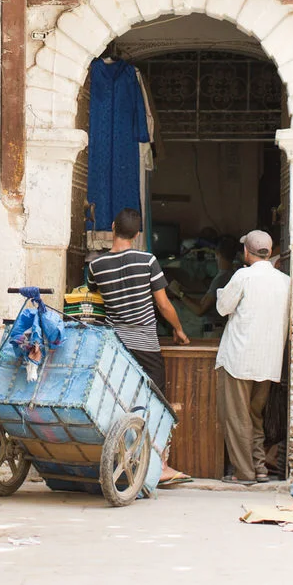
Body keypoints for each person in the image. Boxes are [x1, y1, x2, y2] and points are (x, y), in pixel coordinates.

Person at [87, 208, 190, 486]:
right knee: (155, 405)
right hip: (145, 344)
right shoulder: (147, 261)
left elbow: (94, 297)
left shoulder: (96, 266)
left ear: (112, 227)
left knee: (118, 403)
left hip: (116, 346)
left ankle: (118, 459)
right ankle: (162, 465)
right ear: (137, 234)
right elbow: (164, 304)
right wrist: (179, 330)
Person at [214, 230, 291, 484]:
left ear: (247, 251)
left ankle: (243, 473)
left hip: (239, 359)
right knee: (255, 416)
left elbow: (223, 308)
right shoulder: (284, 281)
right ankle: (259, 468)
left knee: (236, 417)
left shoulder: (243, 276)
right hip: (268, 362)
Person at [169, 237, 241, 333]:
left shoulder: (220, 279)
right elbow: (204, 302)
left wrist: (180, 294)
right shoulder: (233, 275)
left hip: (215, 330)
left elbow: (200, 310)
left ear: (217, 254)